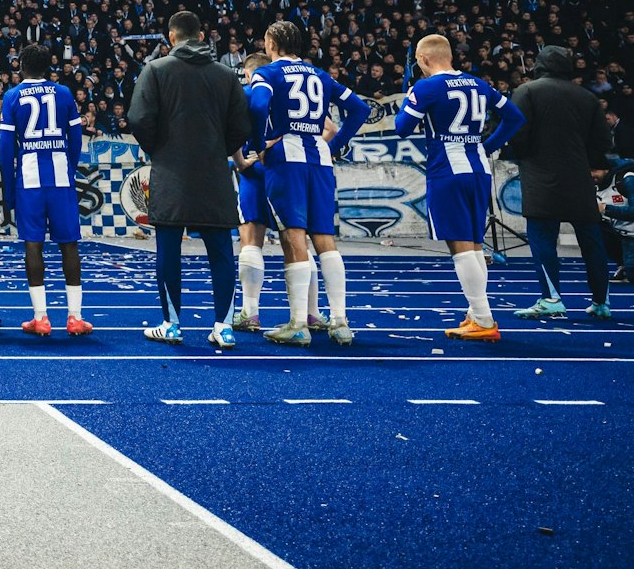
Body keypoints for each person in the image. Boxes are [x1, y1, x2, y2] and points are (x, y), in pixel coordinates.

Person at [127, 11, 253, 349]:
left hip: (171, 171)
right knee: (221, 252)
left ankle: (171, 324)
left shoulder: (155, 70)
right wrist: (218, 149)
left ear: (171, 37)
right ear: (201, 36)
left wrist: (160, 149)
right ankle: (223, 327)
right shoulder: (226, 75)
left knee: (168, 249)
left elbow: (138, 118)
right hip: (213, 171)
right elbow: (242, 125)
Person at [392, 34, 525, 340]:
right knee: (475, 244)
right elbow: (514, 117)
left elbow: (402, 128)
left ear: (424, 59)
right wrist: (487, 146)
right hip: (478, 168)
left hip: (447, 171)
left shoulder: (426, 86)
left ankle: (483, 318)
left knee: (461, 246)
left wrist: (412, 96)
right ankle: (475, 312)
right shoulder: (478, 83)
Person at [246, 20, 371, 347]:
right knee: (326, 239)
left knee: (295, 237)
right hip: (319, 158)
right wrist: (335, 145)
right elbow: (360, 109)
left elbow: (258, 105)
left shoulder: (268, 73)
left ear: (271, 43)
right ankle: (340, 321)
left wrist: (259, 144)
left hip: (286, 159)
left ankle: (299, 323)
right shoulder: (320, 75)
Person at [508, 45, 614, 320]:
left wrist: (523, 156)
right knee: (592, 241)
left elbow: (517, 135)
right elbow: (603, 142)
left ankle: (551, 298)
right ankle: (601, 301)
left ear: (539, 65)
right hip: (578, 177)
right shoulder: (587, 97)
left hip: (541, 177)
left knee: (542, 238)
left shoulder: (527, 91)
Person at [0, 43, 88, 337]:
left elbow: (5, 148)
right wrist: (69, 167)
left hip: (29, 178)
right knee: (69, 244)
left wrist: (9, 191)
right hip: (61, 176)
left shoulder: (13, 96)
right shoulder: (63, 93)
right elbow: (76, 138)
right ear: (48, 66)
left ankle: (41, 317)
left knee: (33, 244)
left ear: (21, 66)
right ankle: (75, 317)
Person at [231, 53, 273, 332]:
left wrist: (242, 160)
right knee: (298, 240)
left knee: (250, 237)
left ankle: (250, 311)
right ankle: (311, 314)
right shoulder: (288, 91)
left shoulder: (247, 94)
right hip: (289, 169)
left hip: (255, 169)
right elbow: (329, 129)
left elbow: (231, 131)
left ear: (248, 74)